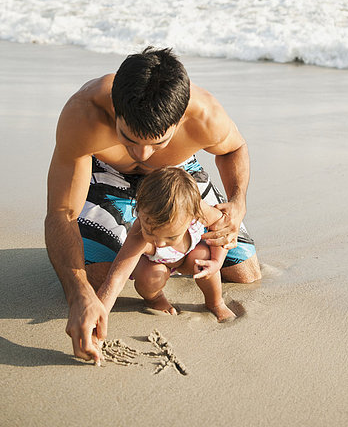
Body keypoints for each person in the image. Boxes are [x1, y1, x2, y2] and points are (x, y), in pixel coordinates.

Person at [45, 46, 260, 363]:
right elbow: (62, 213)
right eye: (128, 139)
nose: (142, 156)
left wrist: (237, 202)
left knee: (245, 274)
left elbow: (233, 148)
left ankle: (162, 253)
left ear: (180, 120)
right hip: (108, 173)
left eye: (157, 144)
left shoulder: (204, 116)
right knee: (94, 281)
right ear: (116, 112)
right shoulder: (84, 114)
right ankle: (153, 255)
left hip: (176, 176)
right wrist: (78, 295)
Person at [97, 167, 236, 323]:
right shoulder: (138, 234)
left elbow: (221, 228)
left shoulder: (199, 211)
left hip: (188, 257)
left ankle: (215, 302)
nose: (160, 243)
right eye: (150, 233)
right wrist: (98, 315)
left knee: (205, 259)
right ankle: (155, 298)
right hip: (154, 264)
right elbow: (116, 278)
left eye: (171, 236)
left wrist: (217, 261)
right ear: (139, 210)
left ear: (193, 215)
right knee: (149, 276)